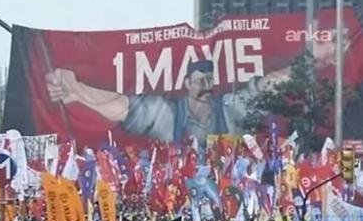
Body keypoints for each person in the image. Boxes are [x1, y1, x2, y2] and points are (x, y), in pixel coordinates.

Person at [44, 40, 337, 147]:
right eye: (199, 79)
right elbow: (124, 107)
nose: (206, 84)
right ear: (187, 83)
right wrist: (80, 91)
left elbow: (266, 86)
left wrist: (309, 61)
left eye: (210, 78)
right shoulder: (169, 115)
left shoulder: (230, 108)